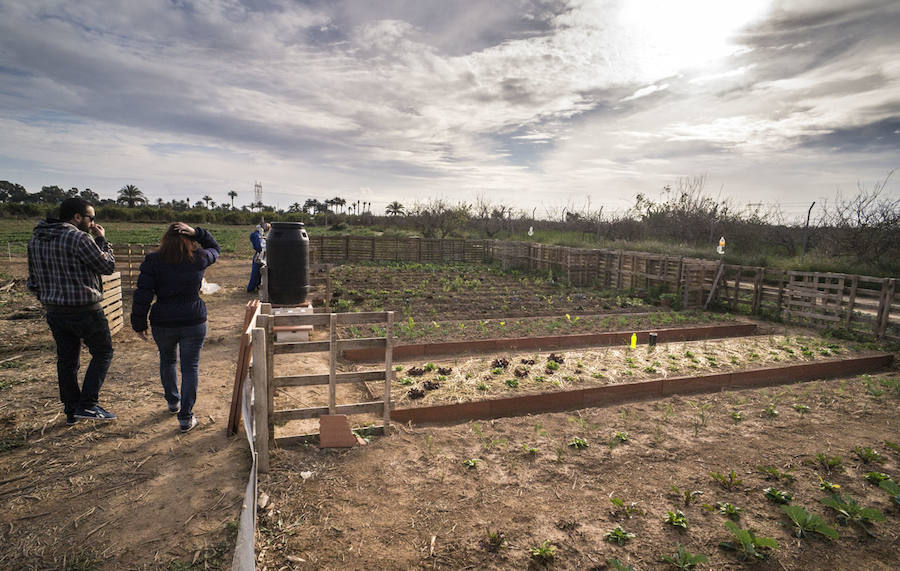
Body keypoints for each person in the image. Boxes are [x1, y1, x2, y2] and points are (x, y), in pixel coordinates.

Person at [27, 197, 117, 425]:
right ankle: (87, 405)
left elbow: (33, 281)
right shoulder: (79, 238)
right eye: (91, 218)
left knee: (67, 361)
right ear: (78, 217)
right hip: (85, 309)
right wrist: (102, 240)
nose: (92, 222)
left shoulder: (36, 238)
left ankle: (71, 409)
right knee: (103, 352)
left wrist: (47, 298)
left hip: (55, 311)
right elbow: (106, 266)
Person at [130, 222, 220, 432]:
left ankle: (172, 402)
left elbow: (143, 293)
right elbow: (216, 248)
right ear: (190, 239)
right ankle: (186, 418)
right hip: (193, 319)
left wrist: (138, 322)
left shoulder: (153, 260)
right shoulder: (198, 258)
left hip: (163, 320)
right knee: (190, 367)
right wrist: (198, 232)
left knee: (167, 360)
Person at [246, 222, 270, 292]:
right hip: (259, 256)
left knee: (261, 274)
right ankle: (251, 289)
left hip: (262, 255)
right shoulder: (255, 235)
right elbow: (259, 247)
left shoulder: (259, 235)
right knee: (255, 274)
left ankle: (257, 286)